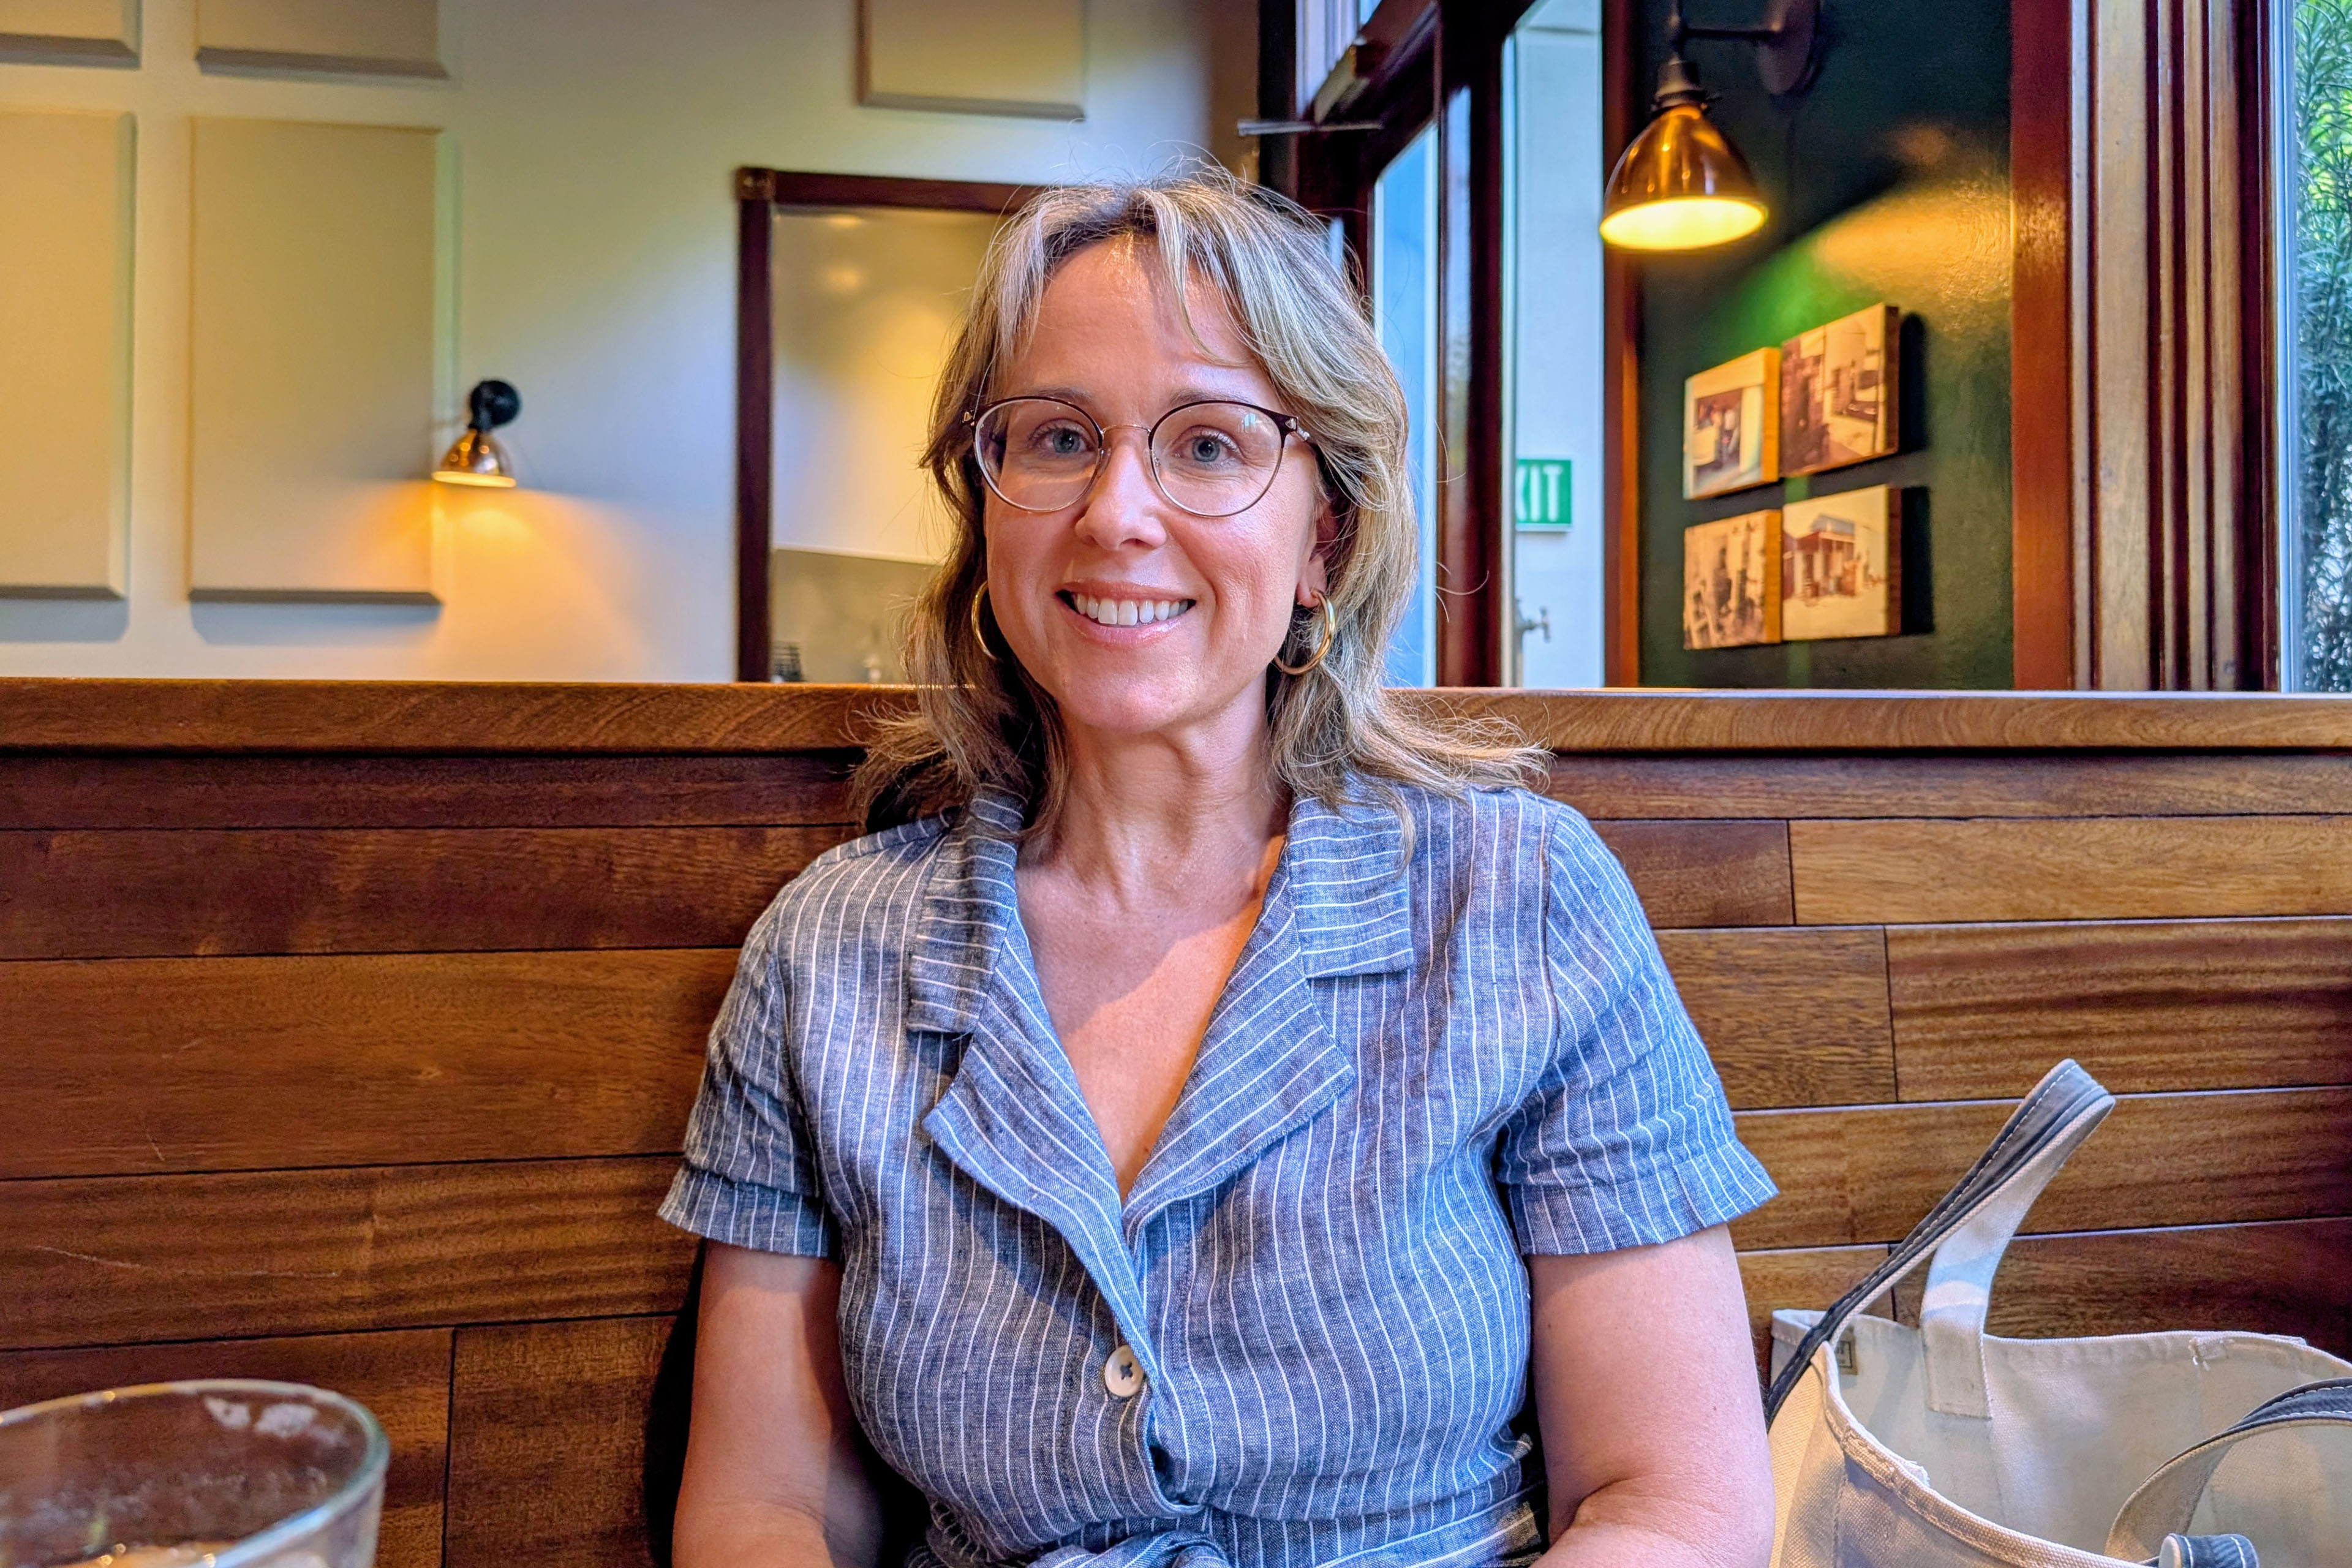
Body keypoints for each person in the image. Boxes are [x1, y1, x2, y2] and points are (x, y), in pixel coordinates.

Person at [662, 167, 1778, 1568]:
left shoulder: (1522, 897)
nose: (1118, 510)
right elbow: (763, 1508)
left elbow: (1675, 1506)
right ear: (988, 513)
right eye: (1058, 437)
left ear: (1325, 536)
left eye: (1206, 445)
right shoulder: (830, 953)